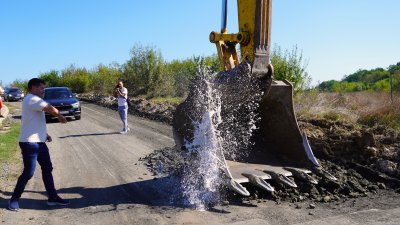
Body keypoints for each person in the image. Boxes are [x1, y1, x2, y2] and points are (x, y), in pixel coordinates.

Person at [8, 78, 69, 211]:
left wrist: (45, 134)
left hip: (39, 142)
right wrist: (60, 116)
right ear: (33, 88)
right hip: (29, 143)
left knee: (47, 168)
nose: (43, 91)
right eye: (41, 88)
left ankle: (52, 197)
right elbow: (49, 108)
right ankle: (14, 199)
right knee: (29, 172)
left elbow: (34, 121)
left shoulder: (33, 100)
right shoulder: (32, 99)